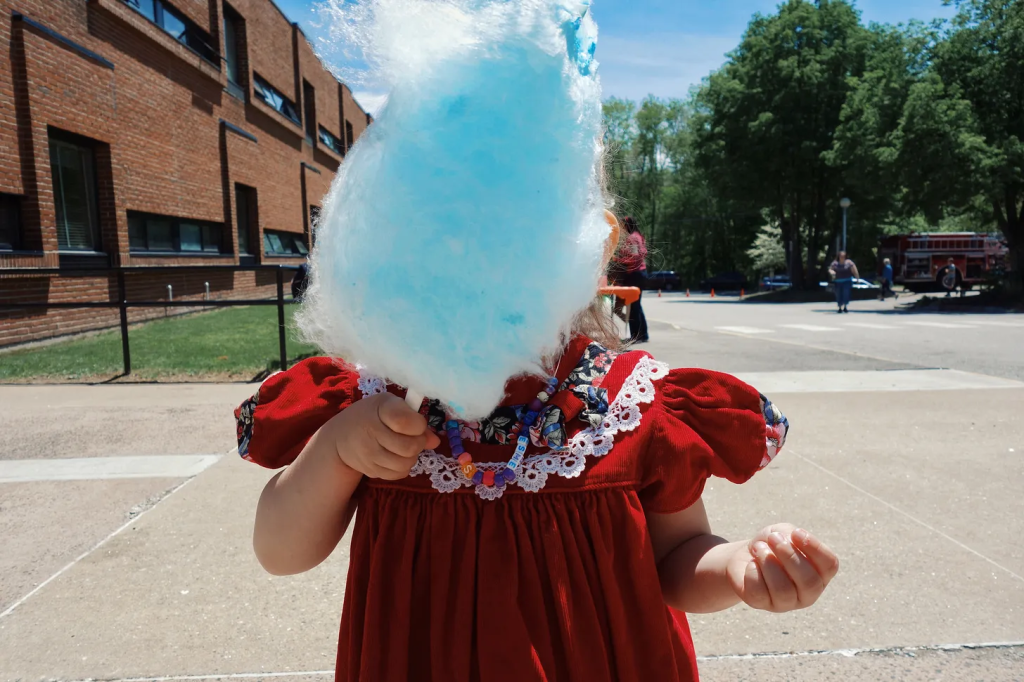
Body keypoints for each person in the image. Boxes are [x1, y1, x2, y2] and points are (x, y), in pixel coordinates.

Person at [235, 219, 840, 682]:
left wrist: (737, 567)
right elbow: (280, 551)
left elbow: (677, 560)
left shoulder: (628, 405)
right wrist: (336, 451)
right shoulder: (371, 400)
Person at [613, 216, 650, 342]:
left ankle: (638, 335)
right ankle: (642, 334)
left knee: (634, 306)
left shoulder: (632, 238)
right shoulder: (638, 236)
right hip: (639, 273)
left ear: (628, 225)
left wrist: (617, 260)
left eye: (623, 225)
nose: (622, 228)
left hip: (635, 274)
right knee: (636, 306)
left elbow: (634, 257)